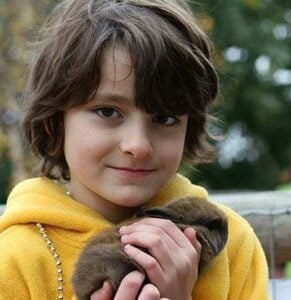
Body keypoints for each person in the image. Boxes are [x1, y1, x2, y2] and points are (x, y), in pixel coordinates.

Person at [0, 0, 269, 299]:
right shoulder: (12, 260)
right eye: (107, 112)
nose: (138, 146)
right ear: (55, 122)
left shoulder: (231, 244)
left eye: (165, 118)